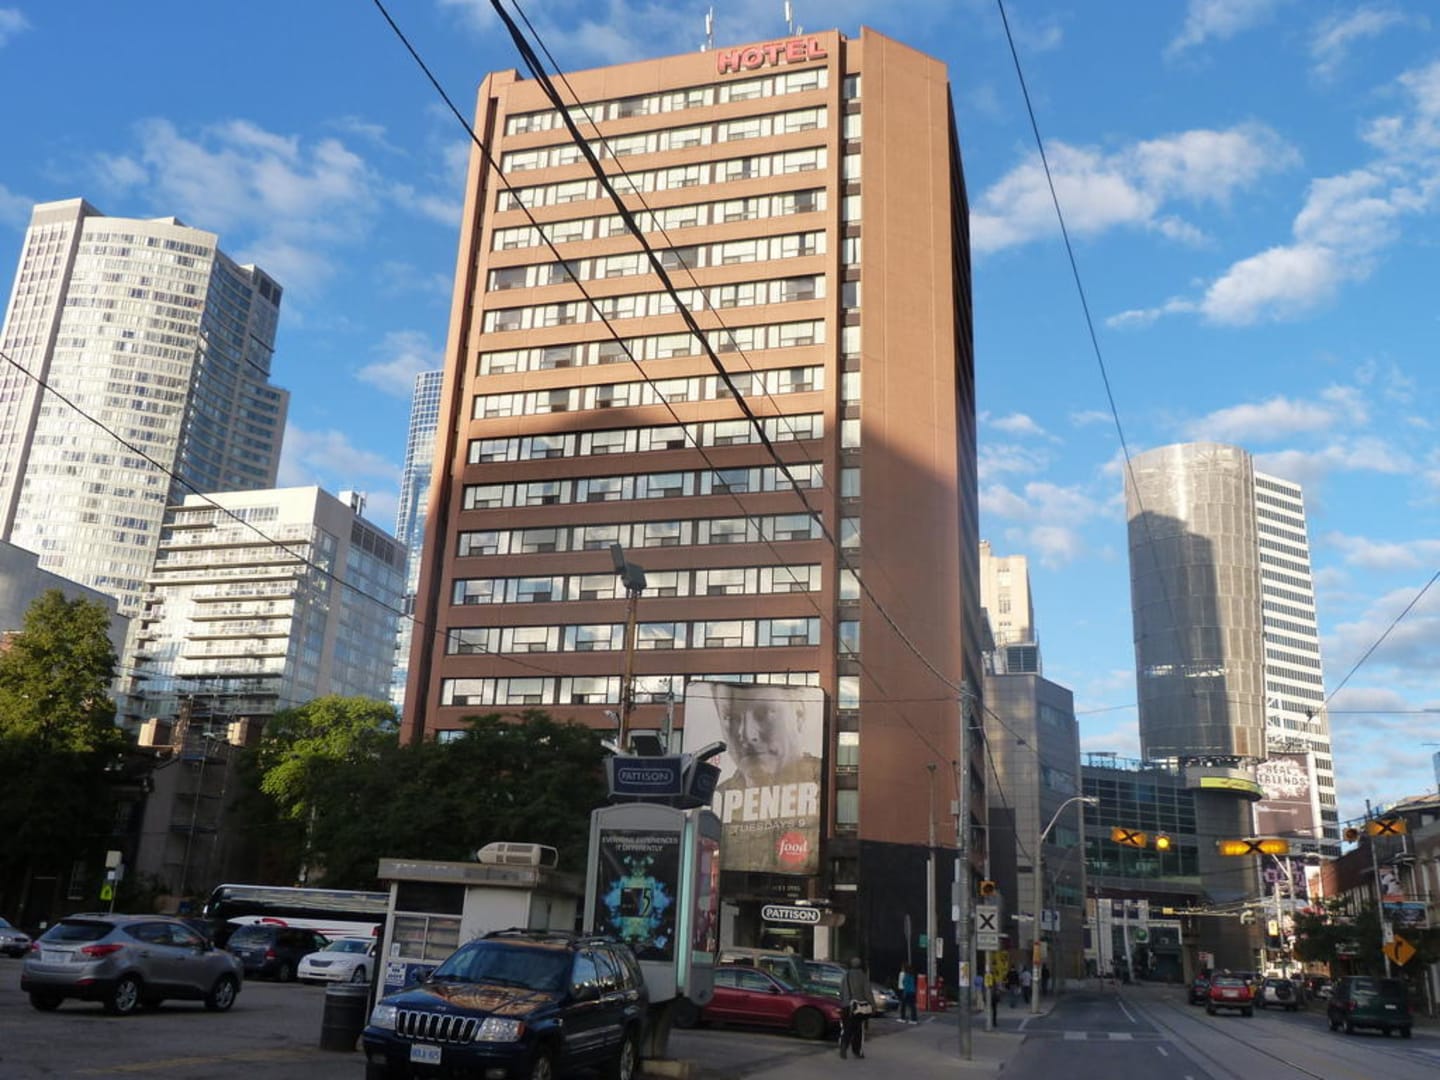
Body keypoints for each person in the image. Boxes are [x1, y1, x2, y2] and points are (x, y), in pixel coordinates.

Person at [839, 957, 870, 1059]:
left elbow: (841, 991)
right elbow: (867, 992)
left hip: (846, 1005)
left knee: (847, 1027)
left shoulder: (846, 976)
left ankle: (844, 1045)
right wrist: (872, 1005)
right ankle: (856, 1051)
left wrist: (843, 1002)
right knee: (858, 1029)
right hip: (857, 1006)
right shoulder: (862, 976)